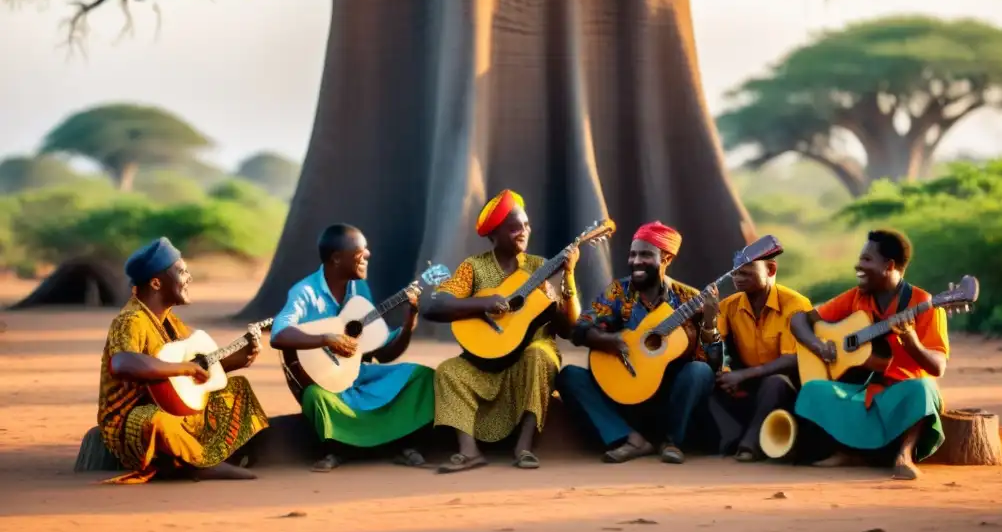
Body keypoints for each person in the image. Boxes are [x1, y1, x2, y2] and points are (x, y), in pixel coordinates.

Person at [422, 189, 581, 473]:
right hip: (485, 361)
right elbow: (434, 305)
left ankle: (524, 446)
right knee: (448, 370)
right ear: (493, 234)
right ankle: (469, 452)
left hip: (528, 360)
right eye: (515, 227)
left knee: (538, 355)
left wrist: (568, 276)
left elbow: (568, 328)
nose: (523, 231)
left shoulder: (539, 268)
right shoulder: (474, 267)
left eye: (527, 225)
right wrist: (484, 302)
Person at [97, 237, 268, 484]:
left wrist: (237, 360)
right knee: (156, 420)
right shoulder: (131, 320)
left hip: (173, 405)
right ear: (156, 282)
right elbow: (122, 363)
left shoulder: (171, 321)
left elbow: (194, 371)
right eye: (182, 272)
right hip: (132, 420)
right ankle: (200, 464)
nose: (188, 278)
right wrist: (183, 368)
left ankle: (196, 456)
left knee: (237, 389)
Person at [270, 224, 435, 471]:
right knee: (315, 397)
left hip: (359, 374)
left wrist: (409, 320)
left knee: (422, 377)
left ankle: (398, 443)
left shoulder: (360, 290)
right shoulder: (304, 292)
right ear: (337, 258)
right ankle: (339, 449)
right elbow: (279, 334)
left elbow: (384, 353)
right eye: (361, 251)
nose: (367, 255)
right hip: (323, 383)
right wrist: (326, 339)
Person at [790, 229, 948, 480]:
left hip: (902, 392)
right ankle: (848, 452)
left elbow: (938, 367)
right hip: (862, 389)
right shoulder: (856, 298)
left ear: (889, 265)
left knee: (925, 388)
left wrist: (912, 343)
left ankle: (904, 455)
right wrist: (818, 346)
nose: (858, 265)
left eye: (866, 259)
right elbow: (800, 319)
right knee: (814, 390)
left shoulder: (924, 304)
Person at [557, 221, 718, 464]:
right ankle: (629, 438)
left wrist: (710, 324)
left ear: (666, 259)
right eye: (633, 254)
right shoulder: (617, 292)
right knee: (569, 375)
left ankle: (672, 442)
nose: (635, 261)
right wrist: (607, 339)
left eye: (645, 254)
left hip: (668, 400)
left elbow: (713, 360)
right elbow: (580, 329)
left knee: (700, 371)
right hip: (622, 393)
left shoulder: (690, 299)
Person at [708, 249, 811, 461]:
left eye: (746, 273)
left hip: (785, 385)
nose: (738, 279)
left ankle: (750, 444)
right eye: (735, 273)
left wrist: (744, 375)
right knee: (706, 376)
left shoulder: (795, 304)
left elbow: (791, 360)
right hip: (745, 382)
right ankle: (728, 437)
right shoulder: (728, 306)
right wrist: (726, 372)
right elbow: (715, 348)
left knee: (774, 383)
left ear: (771, 269)